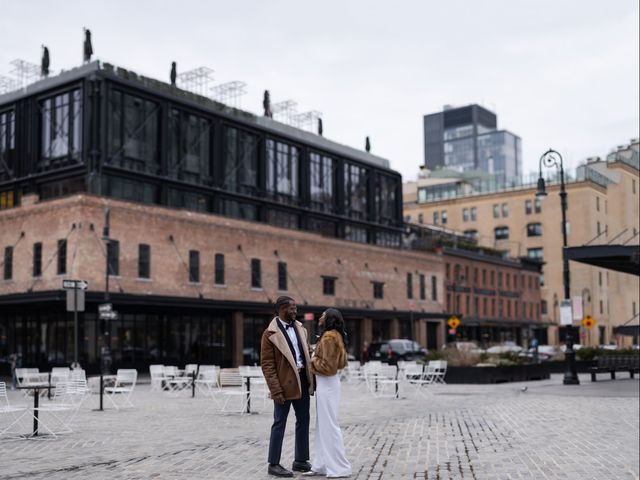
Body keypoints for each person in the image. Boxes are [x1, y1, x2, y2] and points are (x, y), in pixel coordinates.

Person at [261, 296, 315, 477]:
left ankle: (300, 460)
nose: (295, 311)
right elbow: (267, 365)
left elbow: (305, 353)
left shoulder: (300, 328)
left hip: (302, 379)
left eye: (296, 308)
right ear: (281, 309)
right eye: (292, 308)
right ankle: (273, 464)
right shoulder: (269, 333)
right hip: (283, 383)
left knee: (303, 420)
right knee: (279, 423)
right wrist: (275, 390)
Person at [306, 308, 352, 478]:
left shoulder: (329, 337)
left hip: (327, 383)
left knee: (329, 425)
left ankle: (340, 467)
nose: (320, 317)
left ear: (329, 319)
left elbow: (328, 367)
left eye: (323, 315)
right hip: (328, 384)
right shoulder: (334, 335)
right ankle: (322, 464)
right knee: (323, 426)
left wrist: (312, 358)